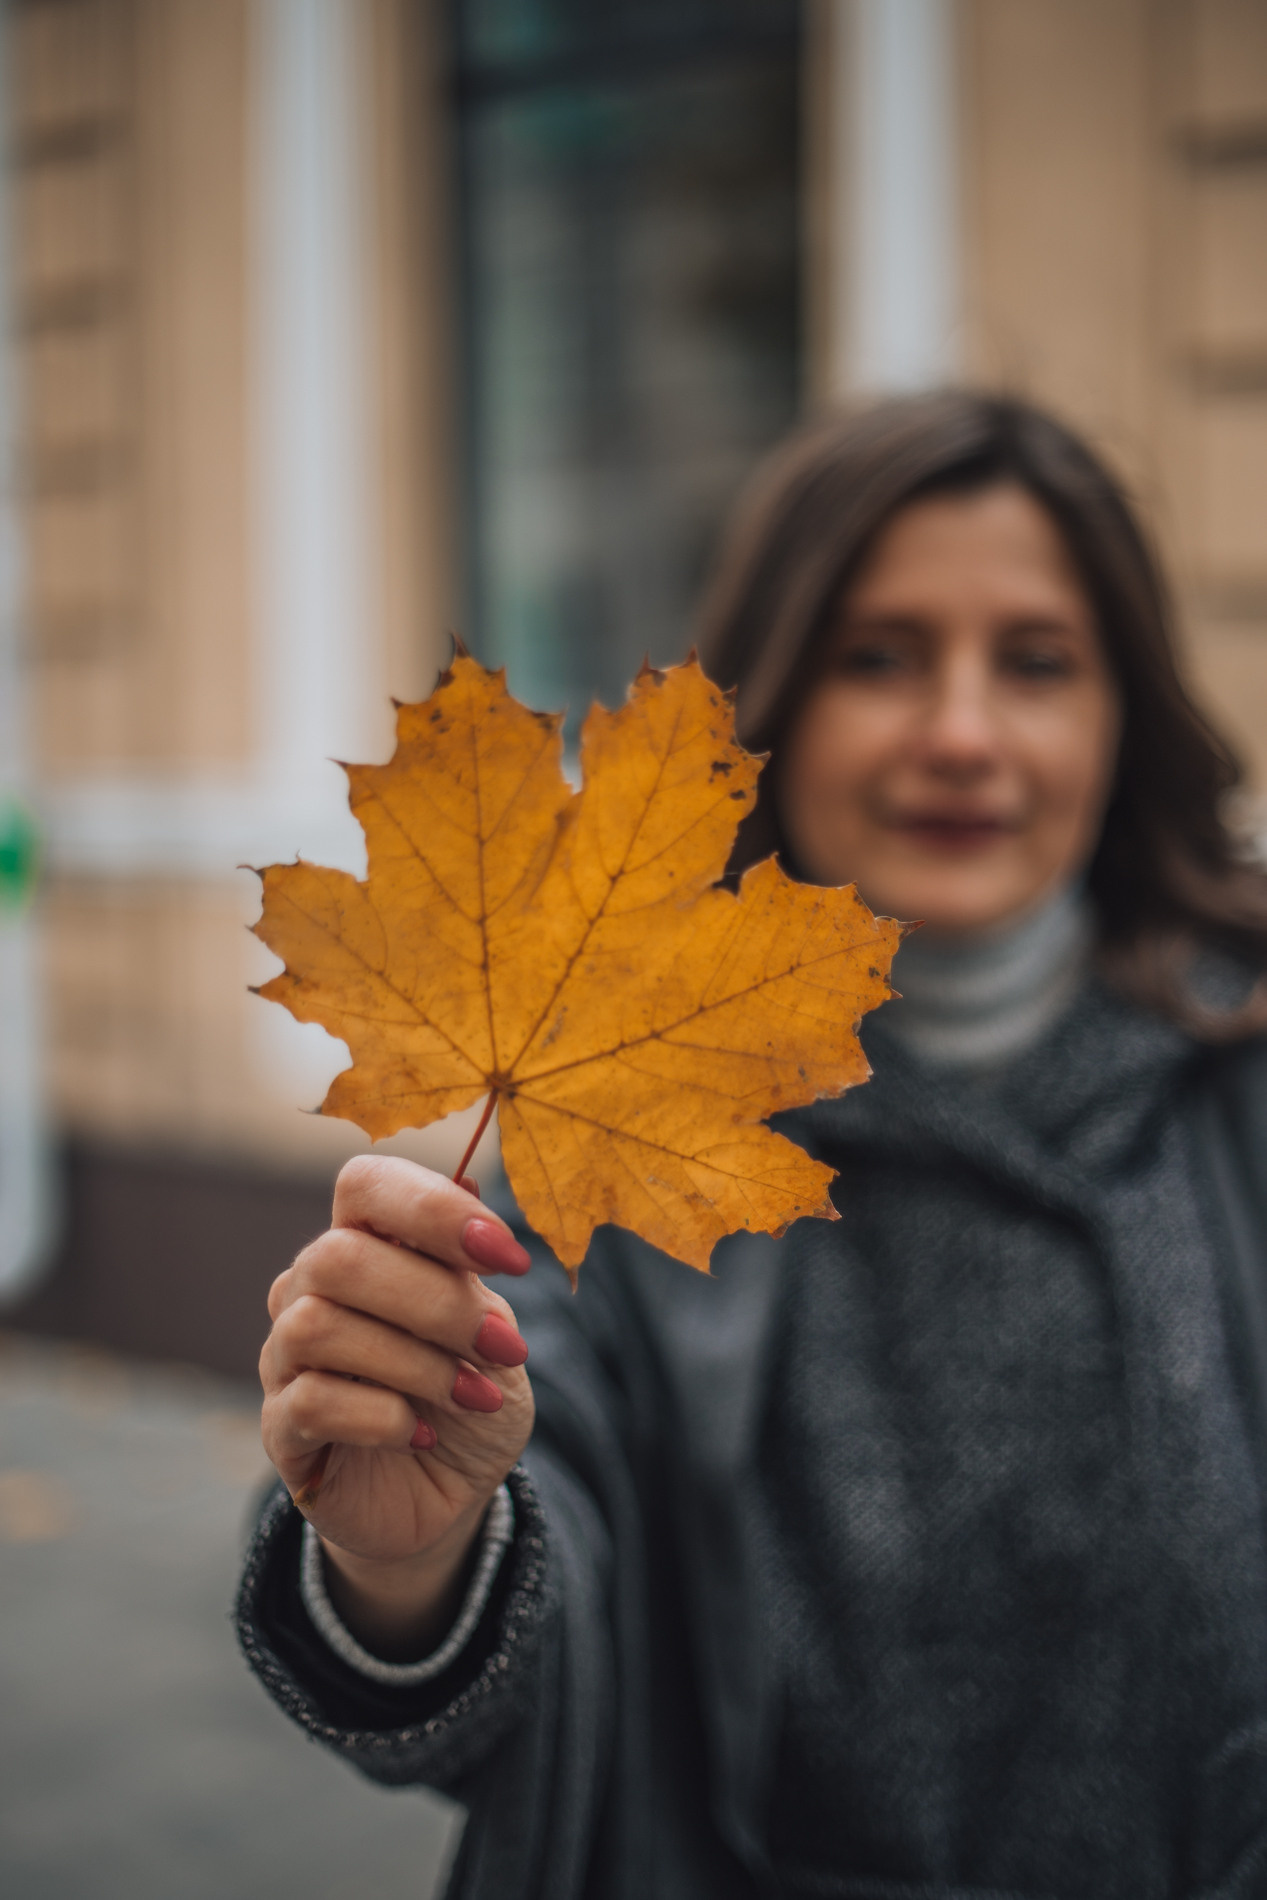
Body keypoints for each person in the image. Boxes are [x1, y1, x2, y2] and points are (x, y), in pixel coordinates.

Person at [236, 392, 1267, 1899]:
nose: (963, 734)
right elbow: (515, 1685)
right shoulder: (621, 1127)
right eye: (880, 657)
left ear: (1123, 710)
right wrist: (409, 1563)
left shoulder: (1238, 1093)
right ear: (772, 704)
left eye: (1036, 663)